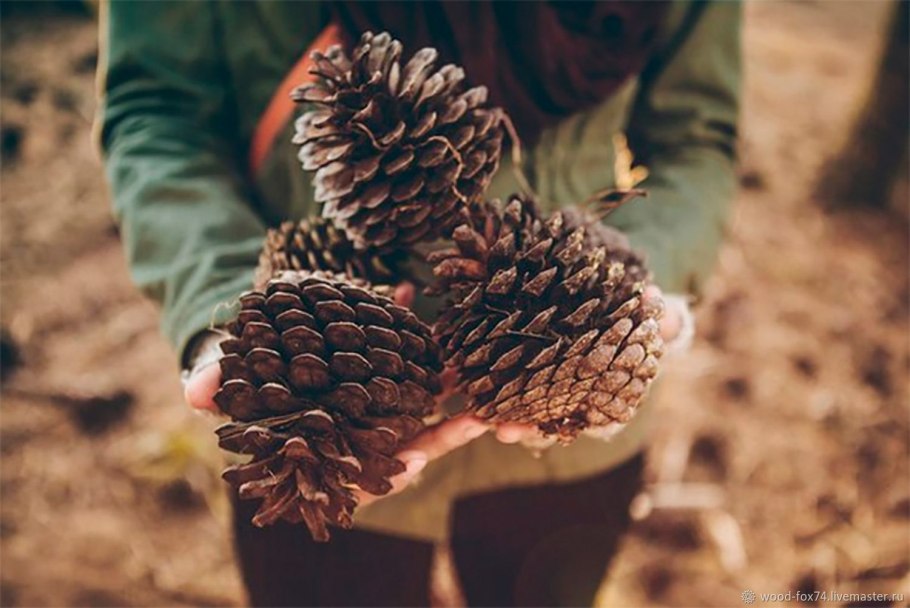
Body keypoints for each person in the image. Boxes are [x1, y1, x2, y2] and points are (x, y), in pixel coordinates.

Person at [98, 1, 739, 606]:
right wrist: (227, 309)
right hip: (310, 426)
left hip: (574, 399)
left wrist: (640, 304)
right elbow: (159, 114)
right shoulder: (285, 393)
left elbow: (696, 138)